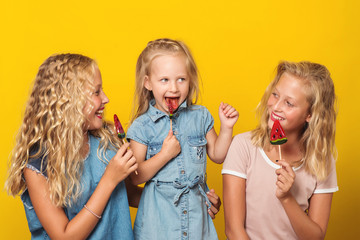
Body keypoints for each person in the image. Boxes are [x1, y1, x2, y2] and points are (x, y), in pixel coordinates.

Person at [5, 53, 139, 239]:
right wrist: (110, 178)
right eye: (96, 92)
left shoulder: (105, 139)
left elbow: (127, 195)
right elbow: (65, 236)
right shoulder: (38, 164)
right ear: (69, 100)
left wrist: (175, 194)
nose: (106, 98)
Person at [127, 38, 239, 240]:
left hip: (197, 221)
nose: (174, 88)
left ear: (191, 80)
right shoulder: (142, 126)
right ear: (148, 83)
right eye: (164, 80)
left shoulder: (201, 116)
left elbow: (218, 155)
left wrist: (227, 128)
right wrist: (164, 155)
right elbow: (134, 176)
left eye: (181, 79)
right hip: (158, 223)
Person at [222, 61, 338, 240]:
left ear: (310, 115)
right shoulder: (243, 146)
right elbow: (233, 230)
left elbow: (316, 237)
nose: (276, 107)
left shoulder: (322, 160)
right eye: (275, 95)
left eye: (289, 103)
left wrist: (287, 198)